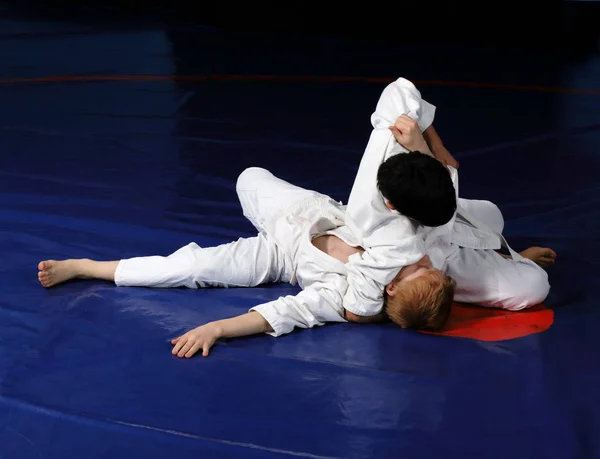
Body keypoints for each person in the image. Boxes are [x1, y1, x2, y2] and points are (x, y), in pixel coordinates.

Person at [37, 167, 457, 358]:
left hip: (277, 257)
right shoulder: (405, 246)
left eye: (420, 270)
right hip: (310, 210)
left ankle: (86, 266)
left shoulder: (346, 300)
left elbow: (283, 312)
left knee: (191, 268)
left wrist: (216, 328)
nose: (421, 261)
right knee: (249, 176)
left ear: (392, 289)